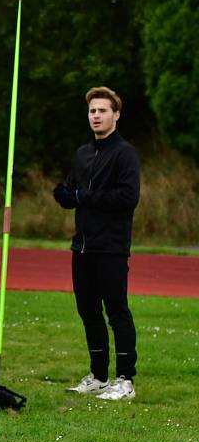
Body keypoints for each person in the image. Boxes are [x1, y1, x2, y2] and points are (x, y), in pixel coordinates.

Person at [53, 86, 140, 401]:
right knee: (87, 309)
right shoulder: (83, 153)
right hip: (83, 247)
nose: (96, 116)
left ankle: (125, 380)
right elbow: (69, 190)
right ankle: (99, 376)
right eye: (92, 111)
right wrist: (63, 194)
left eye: (102, 111)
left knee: (117, 310)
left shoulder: (124, 153)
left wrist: (83, 197)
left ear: (115, 115)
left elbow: (128, 197)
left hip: (111, 247)